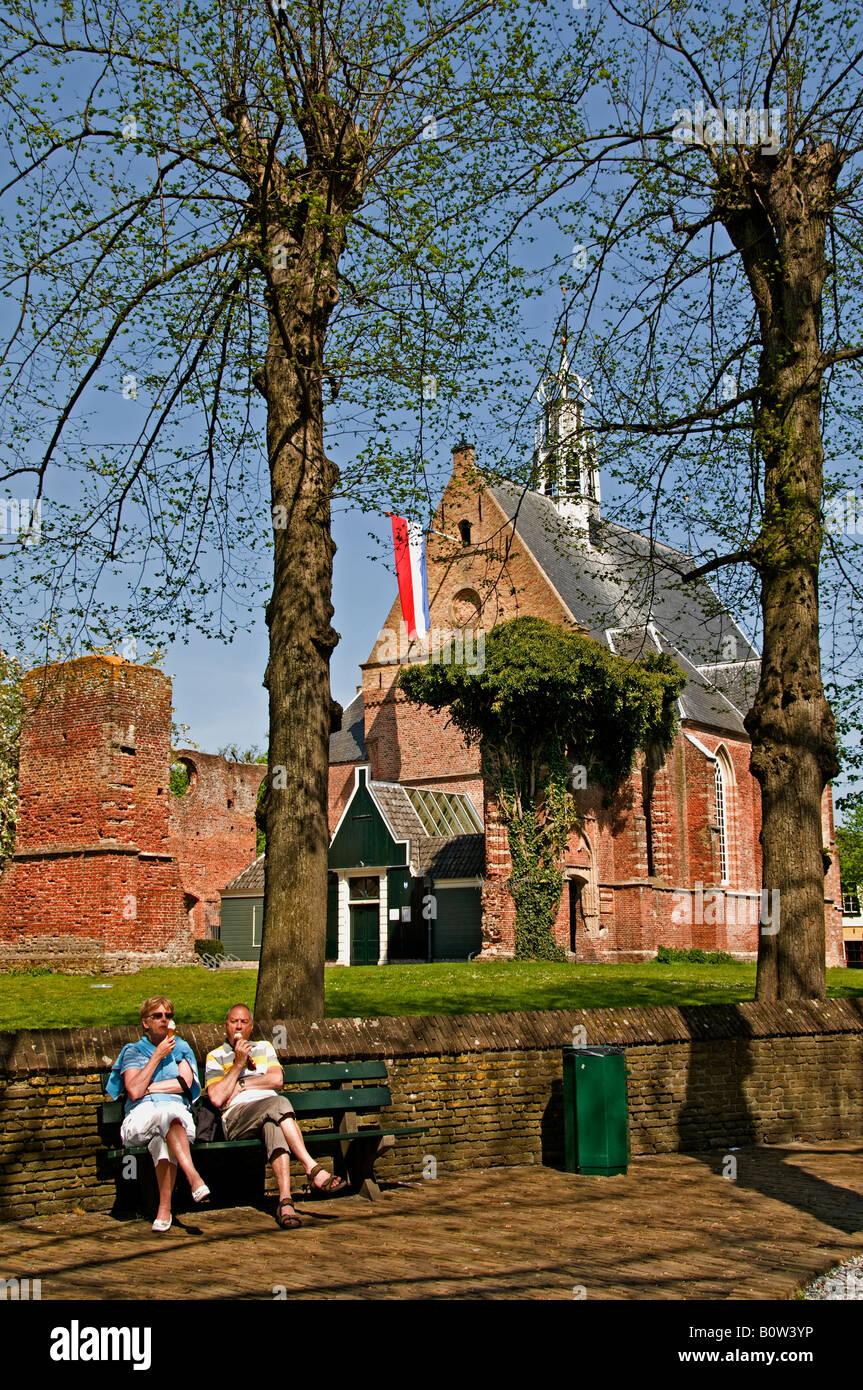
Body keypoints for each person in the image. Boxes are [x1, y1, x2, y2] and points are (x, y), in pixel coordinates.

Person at [204, 1003, 344, 1229]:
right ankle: (311, 1167)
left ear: (251, 1027)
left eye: (244, 1022)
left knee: (274, 1125)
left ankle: (285, 1202)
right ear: (226, 1026)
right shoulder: (216, 1056)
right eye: (233, 1021)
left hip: (269, 1112)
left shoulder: (265, 1048)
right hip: (237, 1118)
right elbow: (218, 1098)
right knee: (279, 1102)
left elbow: (277, 1080)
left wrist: (241, 1084)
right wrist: (239, 1063)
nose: (238, 1026)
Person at [106, 996, 211, 1232]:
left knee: (163, 1138)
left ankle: (164, 1211)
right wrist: (157, 1056)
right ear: (145, 1022)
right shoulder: (133, 1051)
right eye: (158, 1016)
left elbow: (184, 1085)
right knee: (165, 1119)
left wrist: (150, 1087)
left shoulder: (181, 1047)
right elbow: (133, 1090)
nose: (164, 1020)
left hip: (175, 1115)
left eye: (168, 1016)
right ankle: (193, 1176)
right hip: (142, 1115)